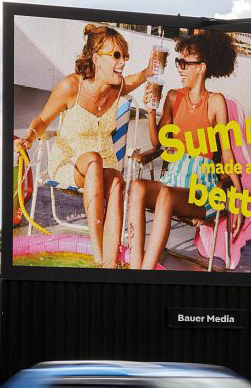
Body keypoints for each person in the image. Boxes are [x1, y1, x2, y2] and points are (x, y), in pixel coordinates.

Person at [15, 24, 150, 267]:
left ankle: (109, 265)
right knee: (93, 160)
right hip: (71, 163)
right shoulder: (72, 86)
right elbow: (43, 119)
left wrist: (149, 71)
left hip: (103, 162)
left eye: (125, 56)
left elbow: (133, 80)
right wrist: (29, 138)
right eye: (117, 56)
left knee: (117, 180)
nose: (123, 62)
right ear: (96, 58)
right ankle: (98, 256)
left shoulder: (116, 87)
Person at [128, 30, 244, 270]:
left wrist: (240, 201)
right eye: (178, 61)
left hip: (202, 189)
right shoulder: (172, 97)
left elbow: (229, 152)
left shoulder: (216, 102)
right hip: (174, 177)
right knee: (138, 187)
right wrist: (151, 110)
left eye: (184, 62)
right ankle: (134, 268)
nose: (179, 68)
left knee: (167, 195)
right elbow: (159, 143)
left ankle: (145, 275)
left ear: (201, 68)